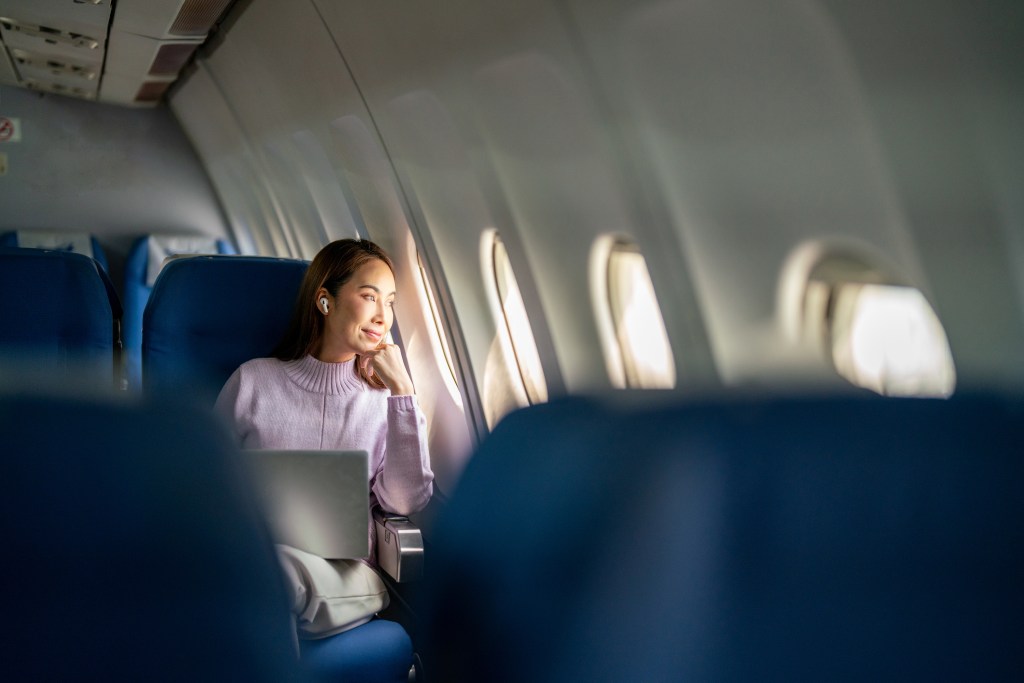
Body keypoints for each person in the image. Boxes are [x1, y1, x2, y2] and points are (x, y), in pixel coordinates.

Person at [215, 238, 434, 643]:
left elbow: (405, 501)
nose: (383, 316)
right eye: (369, 297)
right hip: (254, 558)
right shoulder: (253, 382)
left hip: (347, 575)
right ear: (325, 301)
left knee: (273, 575)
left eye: (390, 302)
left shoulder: (384, 401)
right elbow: (204, 481)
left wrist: (403, 391)